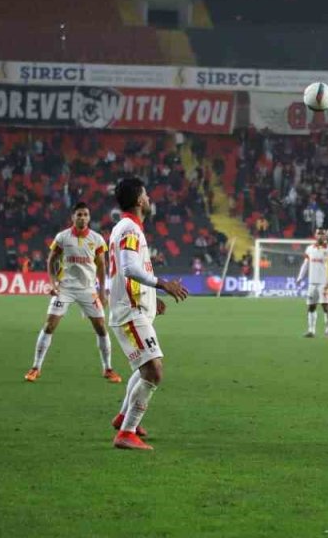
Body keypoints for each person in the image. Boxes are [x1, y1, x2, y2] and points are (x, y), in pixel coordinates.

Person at [108, 177, 189, 450]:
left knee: (144, 366)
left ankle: (123, 418)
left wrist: (153, 299)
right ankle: (126, 433)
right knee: (154, 370)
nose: (150, 199)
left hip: (136, 307)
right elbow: (129, 268)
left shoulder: (129, 228)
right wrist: (162, 284)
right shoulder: (130, 229)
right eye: (147, 195)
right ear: (140, 200)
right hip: (129, 311)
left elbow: (131, 269)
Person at [24, 202, 121, 384]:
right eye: (79, 214)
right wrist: (52, 283)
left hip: (88, 289)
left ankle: (108, 368)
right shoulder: (62, 237)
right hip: (65, 288)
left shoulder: (97, 239)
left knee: (101, 327)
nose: (82, 217)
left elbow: (102, 266)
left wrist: (102, 292)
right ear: (73, 217)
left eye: (85, 214)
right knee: (50, 325)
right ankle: (35, 367)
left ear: (89, 218)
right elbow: (51, 260)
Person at [297, 229, 328, 337]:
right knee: (311, 307)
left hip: (324, 284)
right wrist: (300, 277)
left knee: (326, 307)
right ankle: (311, 331)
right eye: (318, 234)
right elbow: (305, 264)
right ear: (315, 235)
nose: (320, 236)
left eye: (322, 234)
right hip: (312, 283)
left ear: (325, 236)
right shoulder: (310, 249)